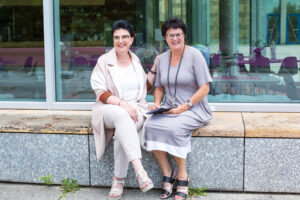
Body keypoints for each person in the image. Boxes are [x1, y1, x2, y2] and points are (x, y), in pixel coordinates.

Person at [145, 18, 213, 200]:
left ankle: (183, 175)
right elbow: (159, 86)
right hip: (170, 107)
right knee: (150, 126)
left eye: (178, 34)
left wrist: (184, 107)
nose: (175, 38)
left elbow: (205, 87)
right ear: (165, 38)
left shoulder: (195, 55)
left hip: (194, 108)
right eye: (170, 35)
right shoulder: (162, 59)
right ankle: (168, 172)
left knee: (174, 129)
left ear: (184, 35)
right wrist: (157, 103)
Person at [90, 19, 157, 200]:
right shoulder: (104, 61)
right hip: (109, 108)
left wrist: (155, 68)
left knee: (122, 132)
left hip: (136, 109)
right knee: (121, 114)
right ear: (112, 39)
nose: (121, 41)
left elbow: (145, 87)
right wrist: (123, 104)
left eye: (125, 37)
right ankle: (140, 171)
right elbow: (100, 92)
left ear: (132, 39)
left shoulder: (135, 60)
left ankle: (118, 180)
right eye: (117, 37)